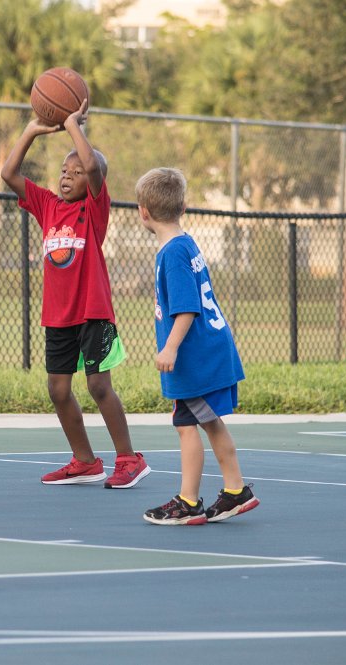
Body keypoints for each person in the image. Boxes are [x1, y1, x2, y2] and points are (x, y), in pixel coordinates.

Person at [0, 100, 149, 490]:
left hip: (93, 312)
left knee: (98, 385)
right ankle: (84, 461)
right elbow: (9, 173)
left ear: (91, 180)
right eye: (64, 171)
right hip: (58, 315)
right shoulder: (48, 205)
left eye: (76, 172)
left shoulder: (94, 210)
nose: (68, 176)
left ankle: (129, 458)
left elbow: (95, 166)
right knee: (58, 390)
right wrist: (32, 131)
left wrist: (72, 125)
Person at [136, 167, 259, 525]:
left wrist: (170, 347)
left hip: (196, 357)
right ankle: (235, 490)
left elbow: (187, 307)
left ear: (143, 212)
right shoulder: (185, 242)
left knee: (187, 424)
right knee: (206, 421)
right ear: (184, 207)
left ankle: (189, 502)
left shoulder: (172, 254)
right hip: (209, 351)